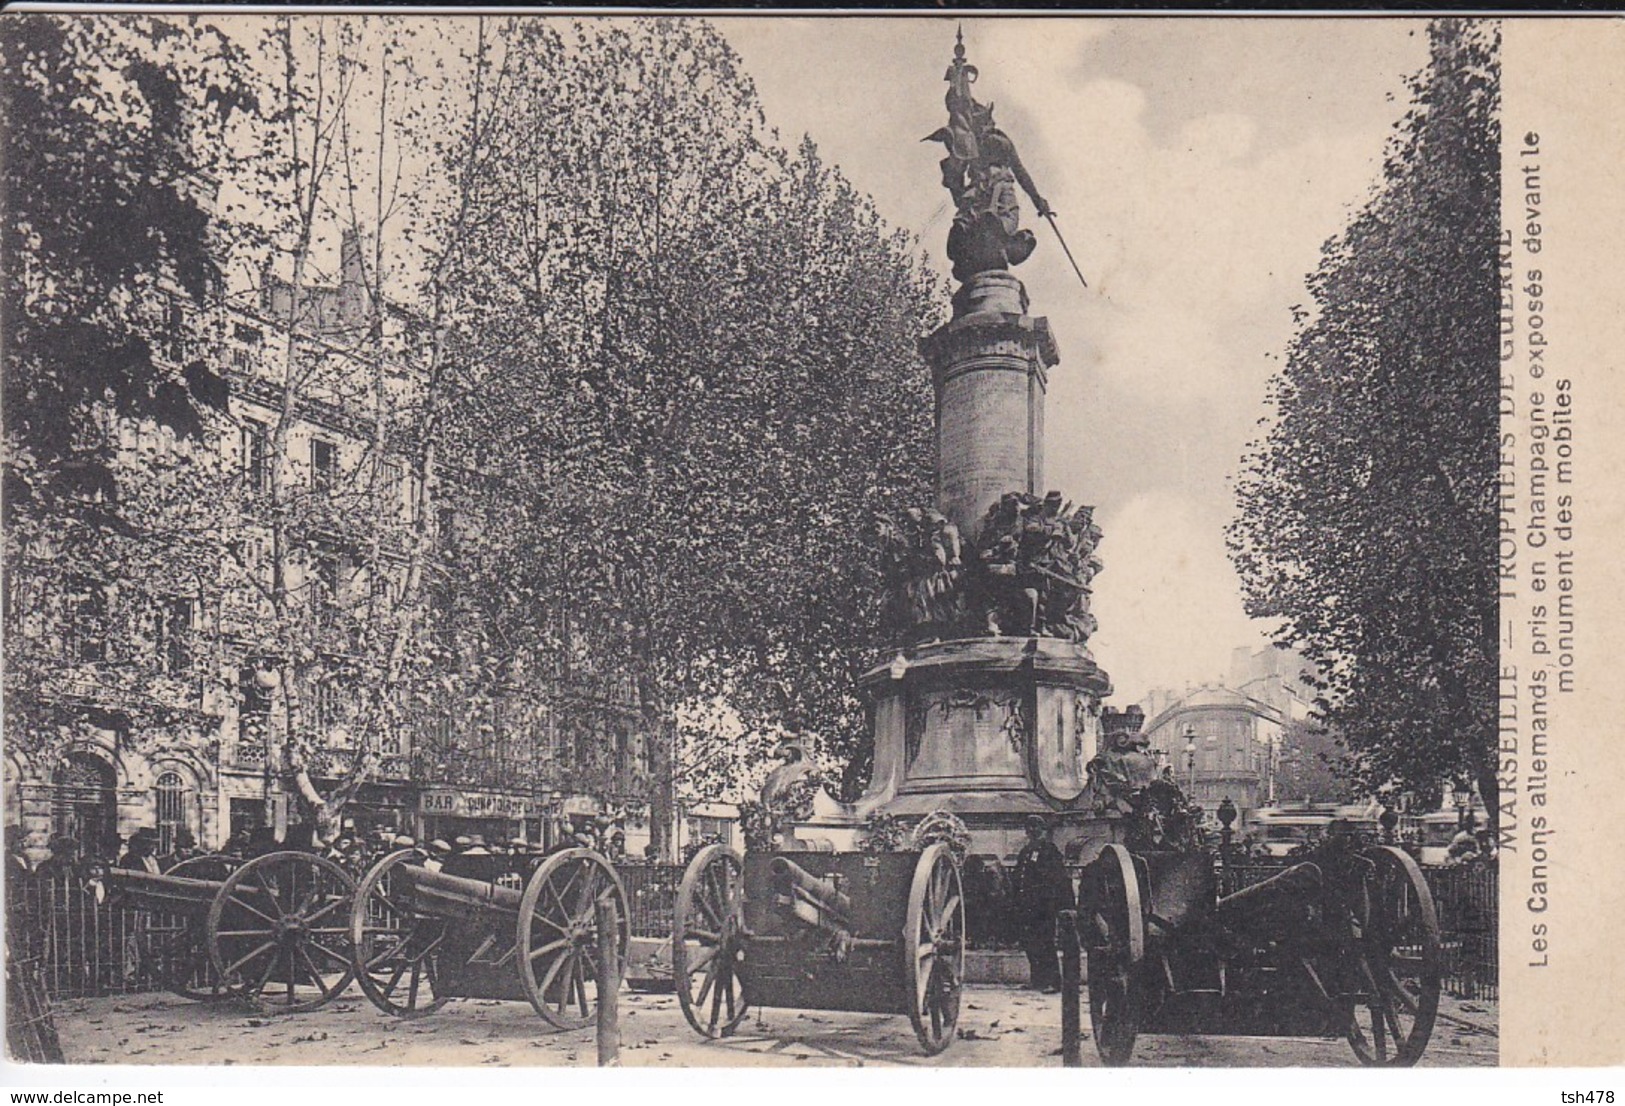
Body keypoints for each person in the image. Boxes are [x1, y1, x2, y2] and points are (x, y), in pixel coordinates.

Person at [1010, 815, 1073, 993]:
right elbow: (1019, 877)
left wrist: (1052, 903)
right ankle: (1037, 980)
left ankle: (1053, 982)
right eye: (1029, 828)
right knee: (1031, 944)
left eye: (1035, 827)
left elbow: (1057, 878)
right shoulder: (1026, 851)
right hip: (1026, 907)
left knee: (1046, 943)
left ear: (1042, 829)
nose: (1032, 831)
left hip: (1043, 907)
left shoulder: (1049, 849)